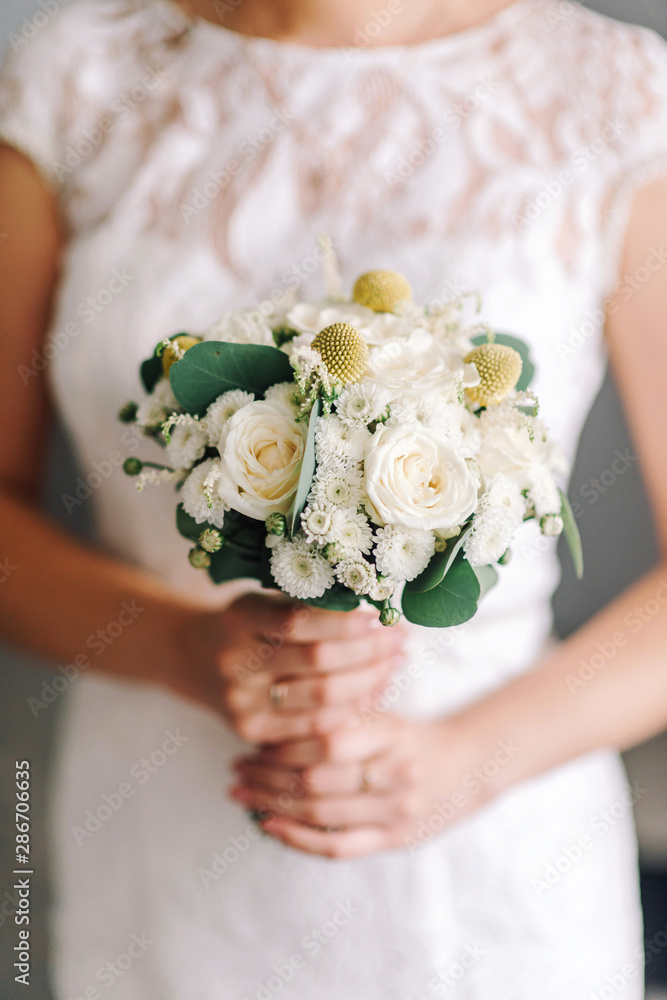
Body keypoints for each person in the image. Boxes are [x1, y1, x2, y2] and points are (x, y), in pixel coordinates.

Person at [1, 0, 667, 996]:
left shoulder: (609, 89)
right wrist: (184, 645)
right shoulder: (79, 74)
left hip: (497, 862)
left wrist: (468, 761)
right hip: (165, 844)